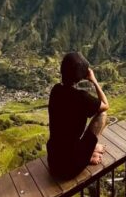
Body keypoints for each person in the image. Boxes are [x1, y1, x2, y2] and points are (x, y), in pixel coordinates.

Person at [46, 52, 109, 180]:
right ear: (81, 76)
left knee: (68, 139)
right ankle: (88, 154)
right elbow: (105, 105)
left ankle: (88, 151)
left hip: (53, 161)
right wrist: (94, 81)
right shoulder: (82, 97)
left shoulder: (55, 90)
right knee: (102, 114)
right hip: (69, 168)